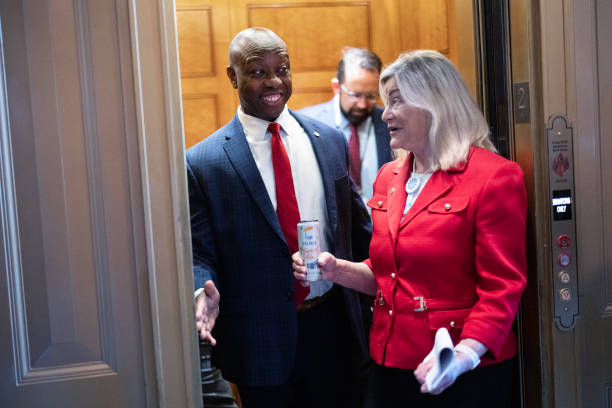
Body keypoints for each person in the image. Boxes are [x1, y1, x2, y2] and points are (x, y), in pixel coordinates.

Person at [293, 50, 528, 407]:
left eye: (396, 102)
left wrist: (463, 354)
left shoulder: (495, 177)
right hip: (389, 364)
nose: (384, 114)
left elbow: (502, 289)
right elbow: (389, 275)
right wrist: (336, 269)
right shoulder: (389, 177)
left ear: (433, 103)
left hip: (463, 370)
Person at [187, 27, 372, 408]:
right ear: (232, 77)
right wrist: (200, 291)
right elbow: (199, 251)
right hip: (259, 340)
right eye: (257, 72)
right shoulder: (204, 162)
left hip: (334, 328)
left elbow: (359, 229)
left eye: (282, 69)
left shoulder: (329, 140)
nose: (273, 82)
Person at [299, 47, 392, 204]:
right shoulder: (306, 124)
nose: (362, 104)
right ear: (337, 88)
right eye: (355, 95)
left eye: (370, 96)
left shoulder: (391, 123)